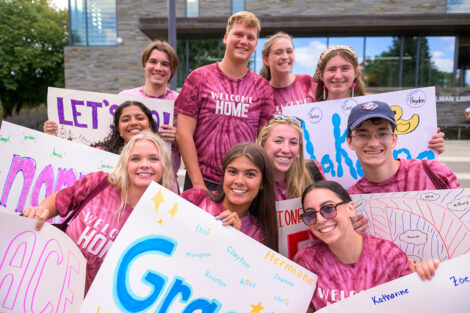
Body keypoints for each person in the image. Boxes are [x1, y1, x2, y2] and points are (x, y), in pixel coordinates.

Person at [23, 131, 174, 293]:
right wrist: (41, 212)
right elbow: (59, 200)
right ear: (125, 163)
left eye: (153, 158)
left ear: (164, 166)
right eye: (135, 158)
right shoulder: (99, 183)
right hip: (51, 283)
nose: (145, 164)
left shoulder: (164, 220)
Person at [294, 180, 439, 312]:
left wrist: (424, 276)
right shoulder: (306, 261)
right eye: (311, 215)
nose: (320, 219)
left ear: (350, 208)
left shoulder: (388, 255)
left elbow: (414, 303)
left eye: (328, 208)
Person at [176, 11, 274, 192]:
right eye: (238, 34)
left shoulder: (262, 87)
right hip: (202, 180)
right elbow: (183, 133)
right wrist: (198, 185)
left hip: (242, 182)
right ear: (226, 38)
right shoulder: (199, 78)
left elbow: (264, 141)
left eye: (250, 37)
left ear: (255, 46)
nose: (244, 41)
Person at [313, 45, 445, 154]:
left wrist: (431, 145)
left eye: (345, 68)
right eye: (331, 69)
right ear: (321, 75)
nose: (338, 75)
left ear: (355, 73)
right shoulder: (310, 117)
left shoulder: (379, 109)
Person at [181, 142, 278, 251]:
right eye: (232, 172)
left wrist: (235, 241)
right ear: (224, 175)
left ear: (262, 183)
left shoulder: (259, 234)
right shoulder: (195, 198)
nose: (239, 181)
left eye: (250, 174)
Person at [346, 101, 460, 194]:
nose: (373, 143)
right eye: (363, 135)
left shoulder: (434, 172)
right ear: (350, 141)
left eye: (382, 134)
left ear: (394, 139)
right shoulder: (354, 196)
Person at [257, 114, 323, 201]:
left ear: (299, 149)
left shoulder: (313, 171)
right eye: (278, 141)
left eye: (293, 143)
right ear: (262, 145)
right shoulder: (251, 181)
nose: (286, 150)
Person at [259, 32, 316, 114]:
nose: (285, 57)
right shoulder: (262, 95)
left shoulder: (307, 81)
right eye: (278, 52)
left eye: (289, 51)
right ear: (266, 60)